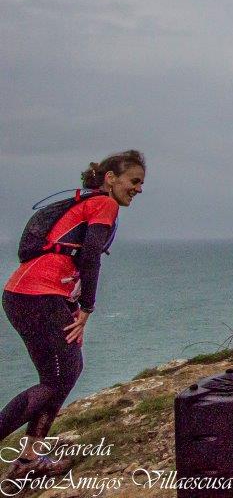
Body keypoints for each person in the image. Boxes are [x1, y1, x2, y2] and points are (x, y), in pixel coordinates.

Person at [2, 151, 145, 480]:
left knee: (63, 373)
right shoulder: (103, 203)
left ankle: (28, 461)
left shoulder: (87, 202)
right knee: (57, 378)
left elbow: (76, 257)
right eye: (134, 181)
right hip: (39, 295)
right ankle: (28, 459)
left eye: (141, 184)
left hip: (24, 294)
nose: (138, 189)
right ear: (111, 178)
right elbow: (92, 254)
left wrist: (72, 305)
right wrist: (87, 308)